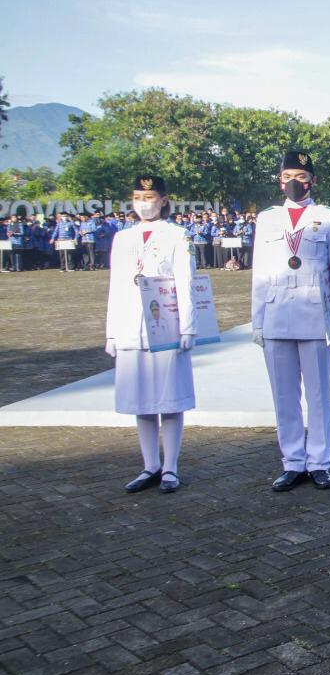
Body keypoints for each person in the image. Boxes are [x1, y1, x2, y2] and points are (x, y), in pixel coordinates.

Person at [251, 151, 330, 492]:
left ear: (313, 180)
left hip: (314, 315)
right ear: (279, 179)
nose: (294, 182)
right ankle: (293, 461)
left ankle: (320, 461)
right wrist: (257, 320)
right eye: (288, 175)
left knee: (319, 393)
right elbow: (259, 272)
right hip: (276, 311)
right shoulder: (267, 219)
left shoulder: (328, 218)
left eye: (302, 176)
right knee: (284, 394)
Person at [106, 176, 197, 495]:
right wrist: (111, 331)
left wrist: (188, 325)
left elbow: (186, 281)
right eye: (137, 196)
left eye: (150, 196)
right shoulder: (122, 238)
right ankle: (150, 465)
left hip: (165, 323)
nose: (143, 202)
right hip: (130, 323)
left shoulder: (177, 234)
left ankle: (170, 466)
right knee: (141, 400)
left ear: (163, 200)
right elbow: (116, 286)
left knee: (169, 399)